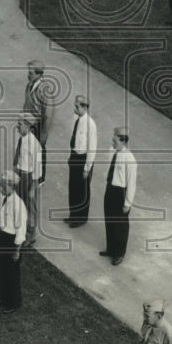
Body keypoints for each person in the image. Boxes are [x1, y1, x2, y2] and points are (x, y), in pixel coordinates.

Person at [101, 127, 137, 266]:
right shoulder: (112, 151)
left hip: (120, 193)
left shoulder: (130, 160)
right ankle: (111, 249)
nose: (112, 142)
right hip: (110, 188)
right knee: (109, 219)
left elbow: (132, 184)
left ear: (123, 141)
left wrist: (127, 203)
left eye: (115, 140)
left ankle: (119, 253)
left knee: (120, 225)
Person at [0, 170, 26, 314]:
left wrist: (16, 251)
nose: (1, 189)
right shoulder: (7, 199)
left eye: (3, 186)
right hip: (4, 237)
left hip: (11, 242)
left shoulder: (18, 205)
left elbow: (20, 231)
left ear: (11, 187)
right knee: (3, 270)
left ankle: (13, 302)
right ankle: (4, 297)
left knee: (11, 273)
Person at [65, 94, 97, 226]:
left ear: (85, 107)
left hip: (83, 159)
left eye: (77, 106)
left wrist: (87, 168)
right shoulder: (76, 118)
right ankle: (72, 215)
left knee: (82, 191)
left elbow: (92, 148)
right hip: (74, 155)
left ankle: (81, 218)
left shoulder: (90, 125)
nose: (75, 108)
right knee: (72, 188)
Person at [23, 59, 54, 185]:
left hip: (37, 125)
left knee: (39, 150)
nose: (28, 75)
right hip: (28, 123)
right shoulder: (30, 85)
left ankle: (40, 178)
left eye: (30, 73)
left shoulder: (44, 90)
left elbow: (48, 115)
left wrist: (44, 134)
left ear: (38, 74)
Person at [13, 114, 42, 248]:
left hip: (29, 177)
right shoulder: (21, 139)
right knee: (19, 203)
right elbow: (18, 157)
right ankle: (20, 229)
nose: (17, 127)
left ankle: (31, 235)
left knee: (30, 206)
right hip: (20, 175)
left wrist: (32, 188)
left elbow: (37, 167)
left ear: (28, 126)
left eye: (20, 124)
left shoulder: (35, 145)